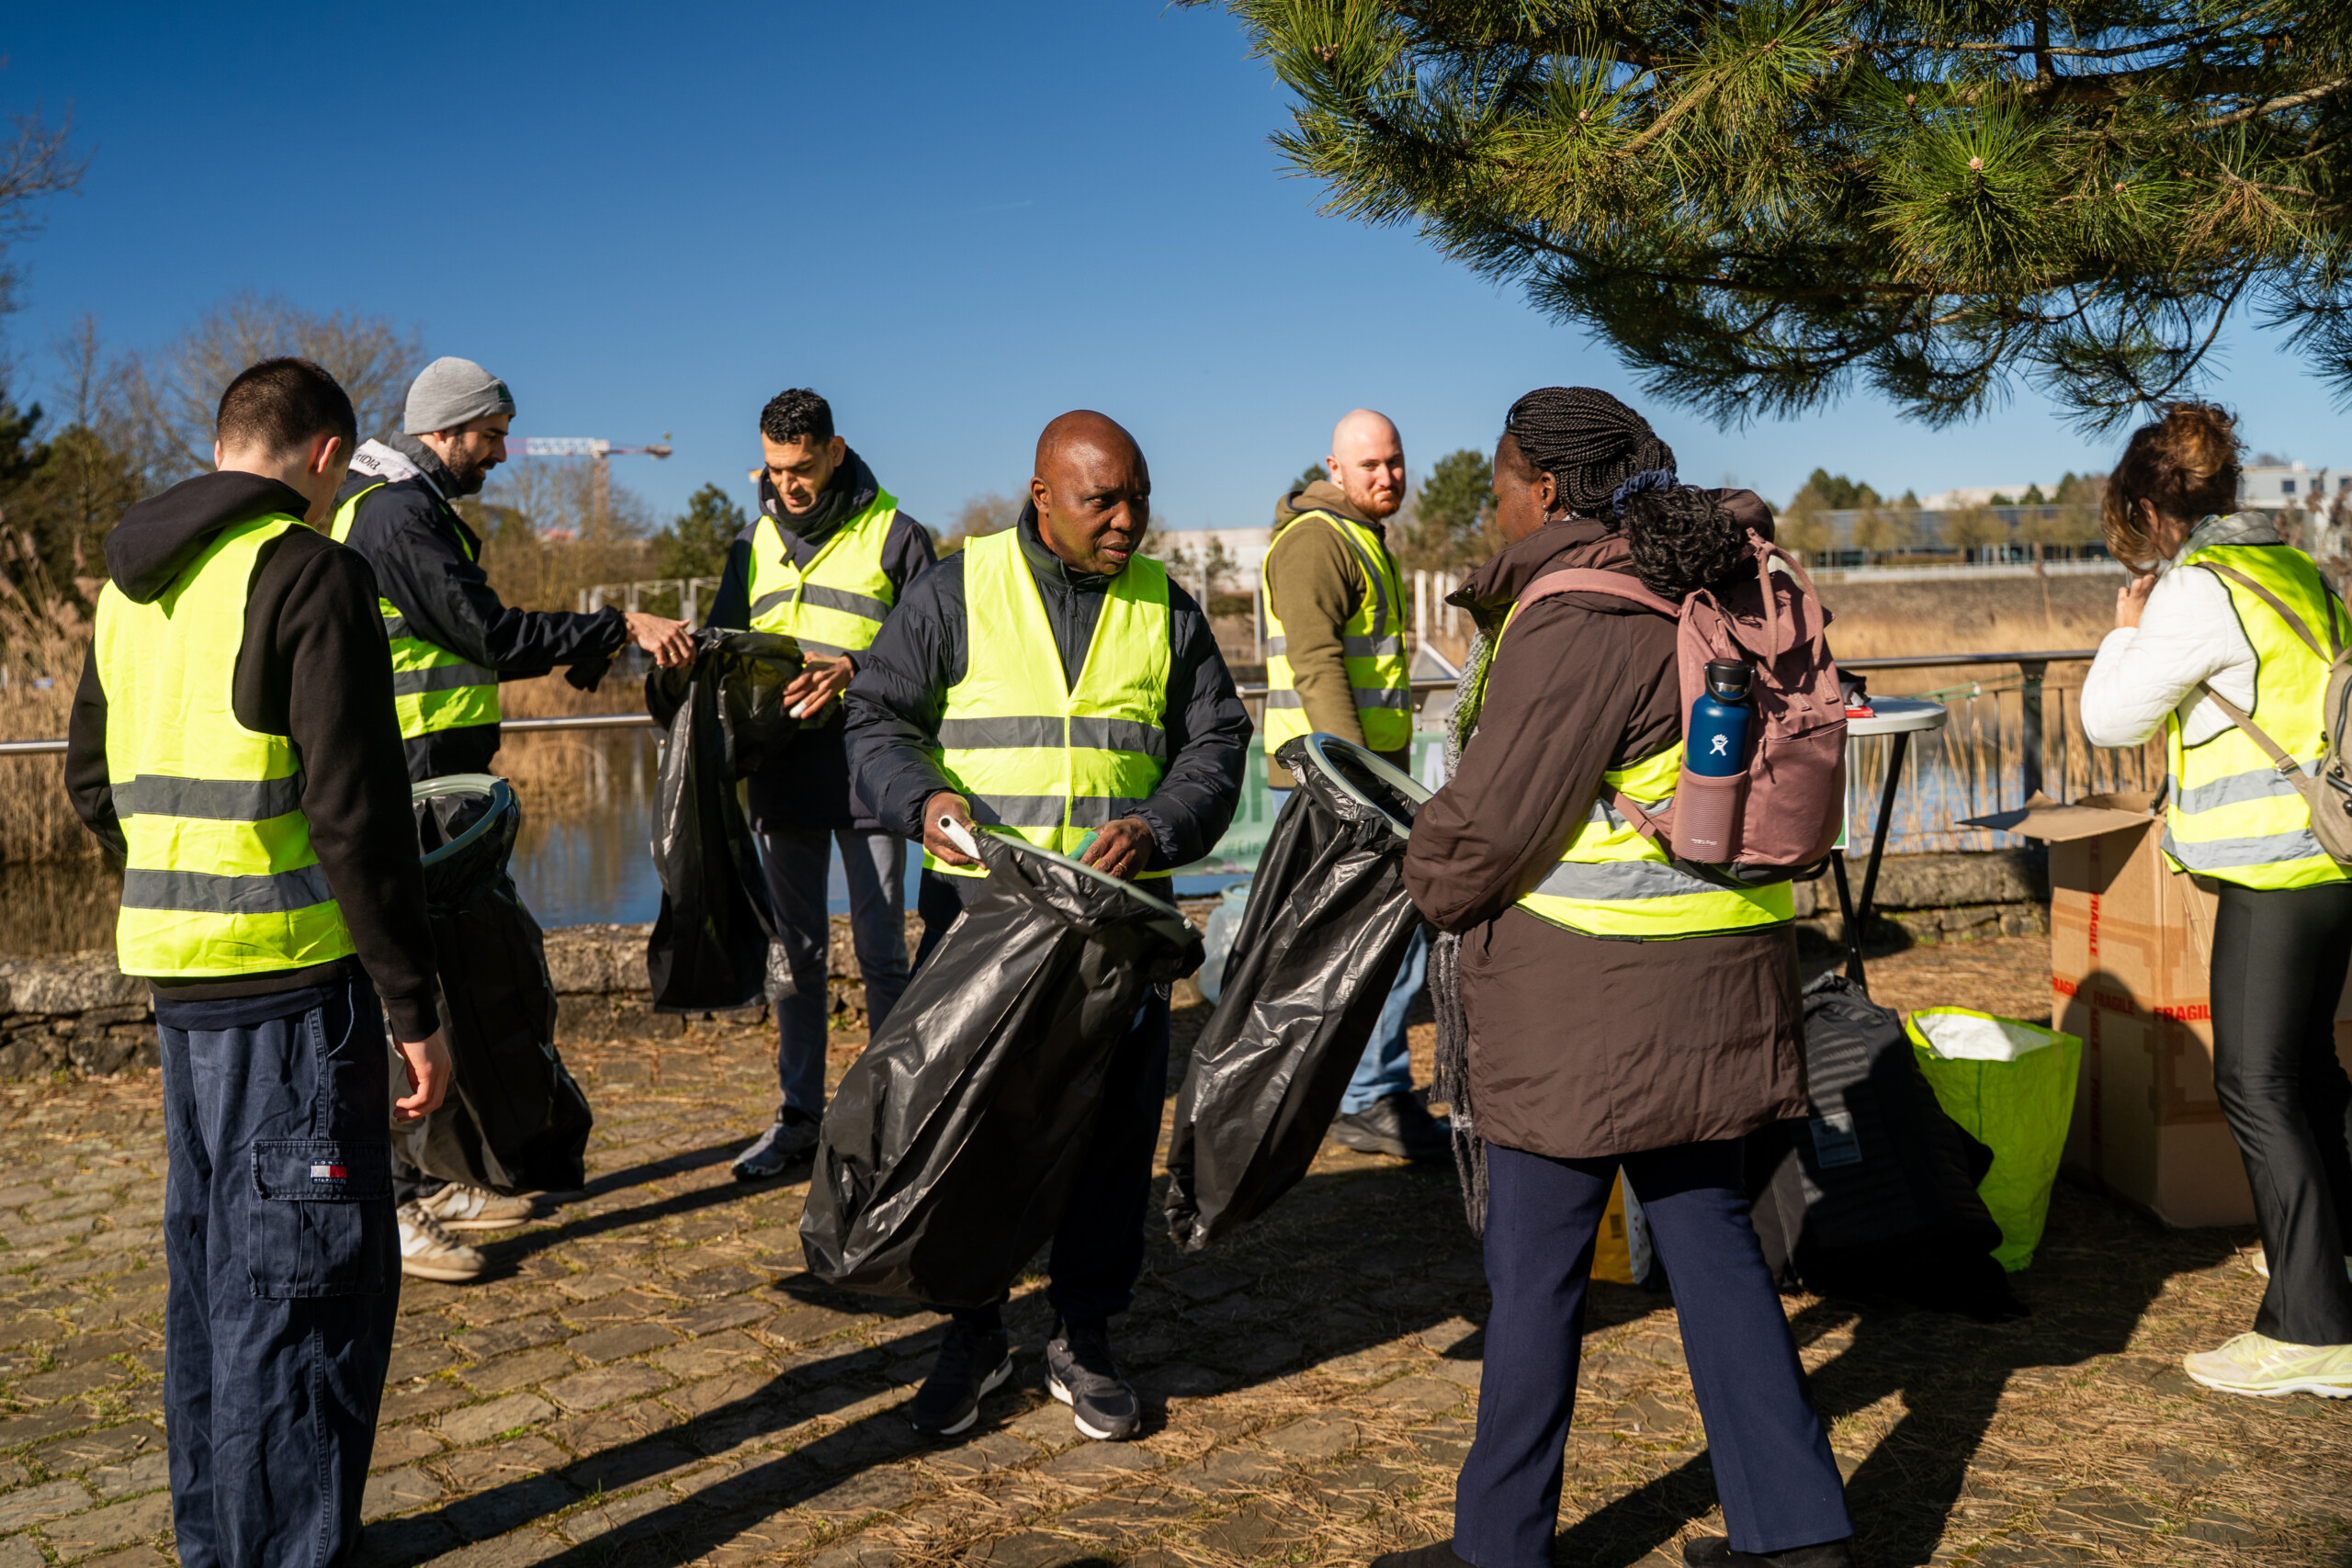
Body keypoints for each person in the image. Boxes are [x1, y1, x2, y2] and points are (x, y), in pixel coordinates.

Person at [1380, 388, 1854, 1568]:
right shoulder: (1722, 576)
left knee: (1533, 1274)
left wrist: (1422, 874)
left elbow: (1493, 824)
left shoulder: (1580, 610)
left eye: (1496, 482)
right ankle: (1795, 1535)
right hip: (1725, 977)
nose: (1491, 504)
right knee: (1710, 1242)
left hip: (1582, 1002)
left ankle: (1498, 1550)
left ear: (1544, 487)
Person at [64, 357, 453, 1567]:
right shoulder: (312, 571)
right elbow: (356, 813)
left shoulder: (131, 590)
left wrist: (186, 885)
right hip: (295, 996)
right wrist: (414, 1001)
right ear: (327, 456)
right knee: (302, 1301)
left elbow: (90, 780)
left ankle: (215, 1542)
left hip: (182, 994)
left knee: (216, 1289)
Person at [847, 410, 1250, 1443]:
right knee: (973, 1136)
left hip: (1115, 939)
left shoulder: (1167, 607)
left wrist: (1160, 824)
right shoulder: (954, 589)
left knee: (1113, 1143)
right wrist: (923, 803)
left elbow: (1215, 742)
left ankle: (1084, 1334)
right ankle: (972, 1331)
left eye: (1138, 499)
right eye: (1101, 500)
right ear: (1042, 497)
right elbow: (879, 719)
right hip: (984, 934)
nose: (1127, 520)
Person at [330, 354, 692, 1281]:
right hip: (404, 787)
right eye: (489, 437)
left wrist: (588, 647)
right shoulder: (397, 517)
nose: (498, 454)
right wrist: (613, 625)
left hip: (432, 786)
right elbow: (482, 632)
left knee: (442, 994)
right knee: (397, 1001)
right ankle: (396, 1205)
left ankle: (439, 1176)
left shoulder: (404, 510)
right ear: (442, 431)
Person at [2079, 402, 2352, 1398]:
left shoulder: (2197, 592)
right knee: (2307, 1072)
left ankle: (2310, 1328)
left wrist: (2122, 633)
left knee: (2254, 1084)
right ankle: (2334, 1269)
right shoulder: (2295, 572)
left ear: (2154, 512)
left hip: (2271, 867)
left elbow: (2110, 721)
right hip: (2333, 858)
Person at [704, 389, 933, 1179]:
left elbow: (936, 660)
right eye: (773, 470)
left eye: (801, 469)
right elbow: (721, 650)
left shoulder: (898, 538)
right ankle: (799, 1117)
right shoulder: (748, 544)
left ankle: (895, 1119)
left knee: (881, 953)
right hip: (780, 777)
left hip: (875, 773)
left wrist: (854, 669)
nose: (786, 486)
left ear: (835, 452)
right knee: (791, 955)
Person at [1263, 409, 1445, 1159]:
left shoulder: (1362, 539)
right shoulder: (1316, 541)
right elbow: (1317, 664)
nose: (1386, 476)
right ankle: (1368, 1094)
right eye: (1368, 465)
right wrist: (1362, 786)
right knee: (1380, 934)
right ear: (1333, 470)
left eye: (1394, 461)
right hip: (1337, 783)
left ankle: (1349, 1087)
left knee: (1355, 935)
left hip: (1360, 776)